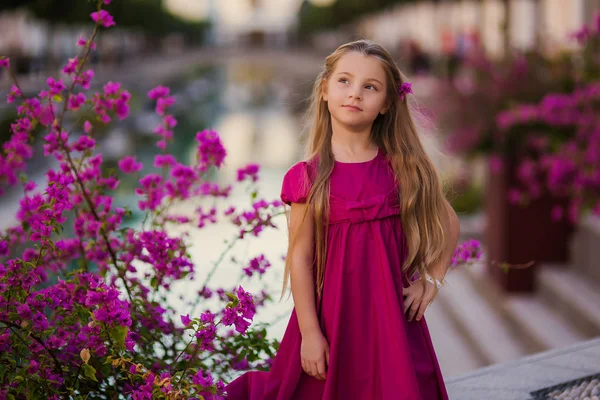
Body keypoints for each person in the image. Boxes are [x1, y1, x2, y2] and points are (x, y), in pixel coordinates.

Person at [225, 39, 460, 400]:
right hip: (332, 321)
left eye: (371, 87)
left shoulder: (403, 168)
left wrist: (432, 279)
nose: (355, 94)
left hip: (393, 323)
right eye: (345, 81)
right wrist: (310, 334)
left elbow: (449, 223)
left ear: (385, 105)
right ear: (324, 90)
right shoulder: (308, 177)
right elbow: (300, 259)